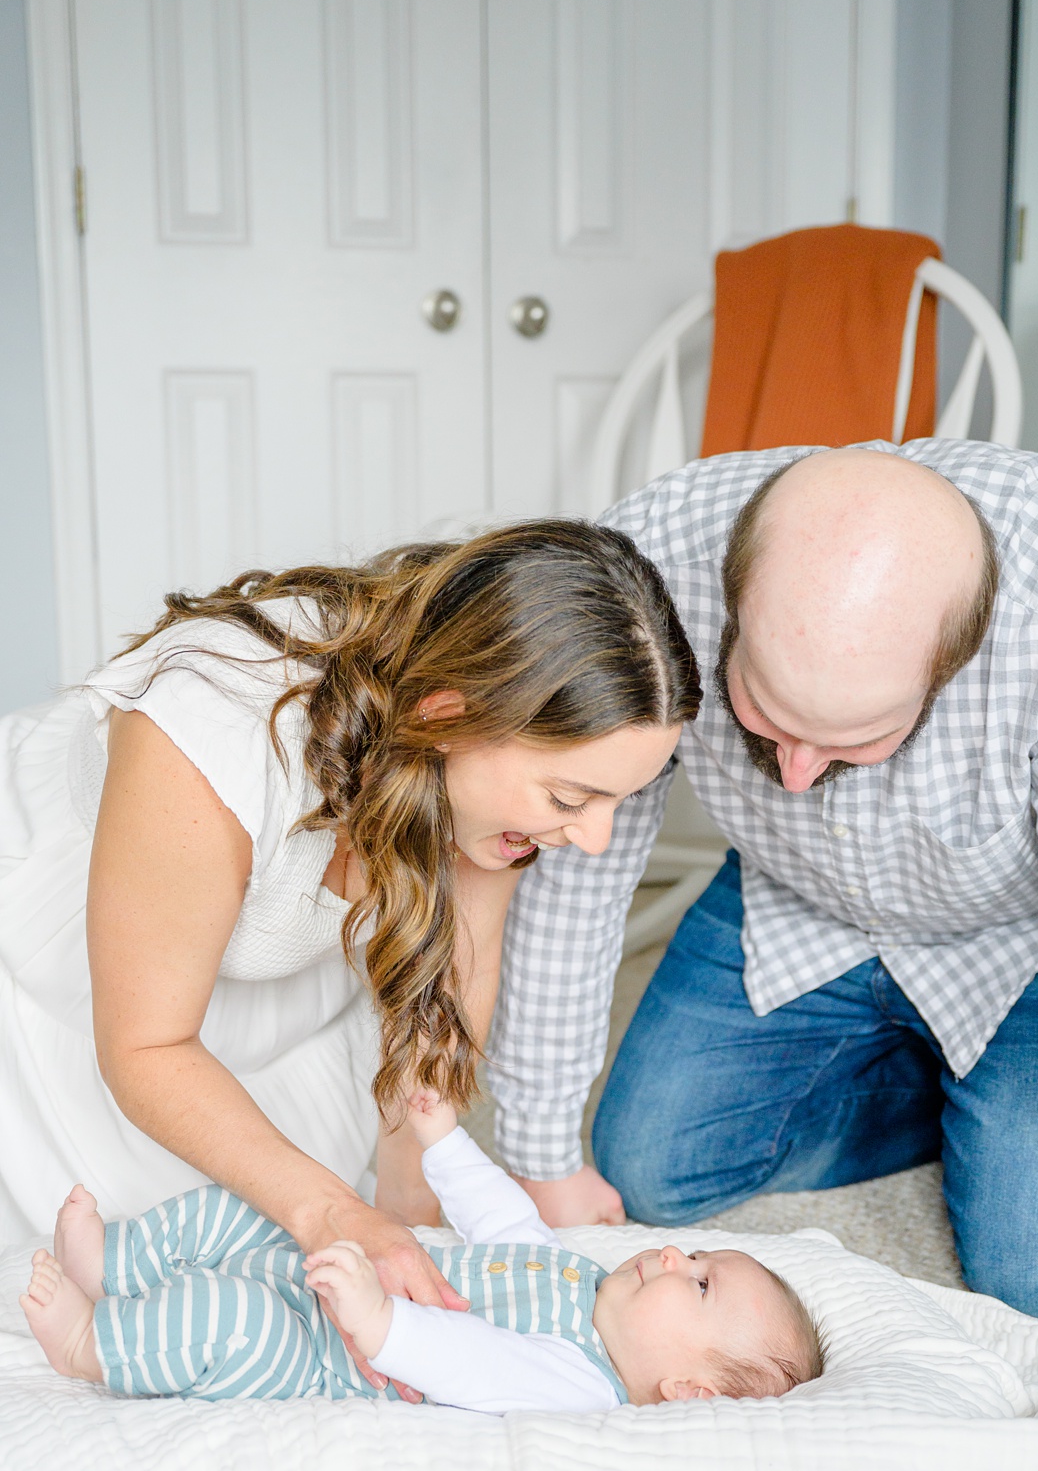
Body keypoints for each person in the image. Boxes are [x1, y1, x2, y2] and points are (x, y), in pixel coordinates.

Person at [486, 443, 1038, 1393]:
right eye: (763, 717)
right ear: (731, 610)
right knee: (648, 1172)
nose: (795, 774)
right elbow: (581, 865)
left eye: (856, 739)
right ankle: (947, 1095)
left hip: (1020, 944)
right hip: (791, 901)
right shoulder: (652, 564)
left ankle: (987, 1100)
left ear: (954, 661)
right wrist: (537, 1151)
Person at [0, 523, 698, 1395]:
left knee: (307, 1241)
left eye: (617, 805)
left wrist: (410, 1210)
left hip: (258, 988)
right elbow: (143, 1050)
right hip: (72, 973)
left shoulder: (484, 782)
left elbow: (455, 980)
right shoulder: (209, 725)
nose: (592, 842)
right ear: (449, 715)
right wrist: (331, 1209)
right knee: (147, 1242)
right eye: (572, 798)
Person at [19, 1080, 818, 1410]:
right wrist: (445, 1142)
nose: (678, 1257)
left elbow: (469, 1360)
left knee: (233, 1319)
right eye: (700, 1257)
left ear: (685, 1392)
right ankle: (117, 1263)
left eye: (701, 1286)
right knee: (246, 1209)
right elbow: (503, 1223)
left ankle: (94, 1343)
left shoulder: (580, 1385)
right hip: (349, 1282)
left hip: (327, 1356)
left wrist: (378, 1326)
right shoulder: (586, 1278)